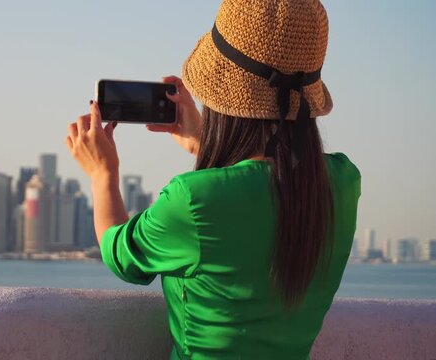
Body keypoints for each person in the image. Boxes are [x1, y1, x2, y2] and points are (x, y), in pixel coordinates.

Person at [65, 0, 360, 358]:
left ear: (221, 94)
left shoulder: (192, 199)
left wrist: (102, 174)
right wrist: (205, 141)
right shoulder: (343, 183)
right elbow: (264, 185)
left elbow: (121, 255)